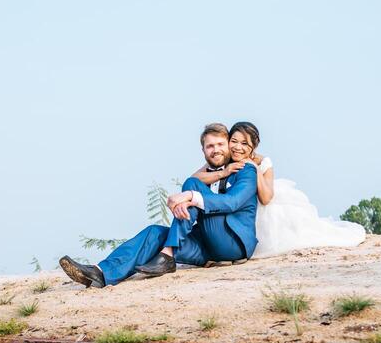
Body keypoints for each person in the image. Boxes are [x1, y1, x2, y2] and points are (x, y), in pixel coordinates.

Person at [59, 123, 258, 287]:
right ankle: (100, 273)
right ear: (203, 150)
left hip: (233, 244)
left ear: (228, 145)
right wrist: (189, 197)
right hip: (206, 248)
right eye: (210, 146)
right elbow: (196, 183)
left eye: (220, 144)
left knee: (191, 186)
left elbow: (232, 202)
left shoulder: (246, 170)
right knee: (154, 232)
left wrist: (190, 196)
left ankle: (167, 255)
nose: (216, 150)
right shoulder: (208, 174)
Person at [191, 120, 365, 258]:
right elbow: (194, 178)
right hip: (235, 212)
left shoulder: (262, 161)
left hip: (260, 208)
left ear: (253, 147)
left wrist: (254, 169)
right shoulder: (223, 158)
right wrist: (223, 173)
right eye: (234, 141)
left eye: (245, 143)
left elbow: (266, 197)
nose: (238, 147)